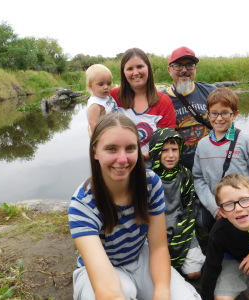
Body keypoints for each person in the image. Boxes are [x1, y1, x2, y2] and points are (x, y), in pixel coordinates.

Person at [68, 113, 200, 300]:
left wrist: (162, 292)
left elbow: (159, 247)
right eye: (111, 149)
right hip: (99, 270)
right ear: (95, 152)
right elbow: (108, 291)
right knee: (124, 292)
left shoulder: (151, 183)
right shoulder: (82, 204)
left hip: (140, 256)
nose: (122, 159)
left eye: (130, 148)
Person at [192, 87, 249, 224]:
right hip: (217, 209)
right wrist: (214, 208)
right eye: (214, 113)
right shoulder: (202, 145)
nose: (219, 118)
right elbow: (198, 178)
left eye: (225, 113)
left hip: (242, 208)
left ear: (235, 114)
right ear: (208, 114)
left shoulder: (246, 140)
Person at [149, 128, 205, 280]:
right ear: (156, 151)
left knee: (194, 273)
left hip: (182, 228)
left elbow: (190, 206)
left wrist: (181, 229)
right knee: (158, 273)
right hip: (156, 231)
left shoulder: (185, 174)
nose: (171, 155)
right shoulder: (148, 178)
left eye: (175, 149)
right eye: (165, 150)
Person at [111, 48, 176, 164]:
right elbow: (95, 123)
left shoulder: (164, 102)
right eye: (130, 68)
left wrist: (141, 159)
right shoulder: (113, 97)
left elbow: (166, 141)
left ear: (148, 68)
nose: (136, 72)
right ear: (123, 72)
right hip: (119, 165)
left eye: (140, 67)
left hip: (152, 169)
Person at [161, 46, 217, 170]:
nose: (184, 70)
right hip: (179, 170)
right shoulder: (160, 99)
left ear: (195, 69)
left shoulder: (210, 91)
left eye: (189, 65)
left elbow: (228, 123)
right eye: (178, 65)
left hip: (212, 165)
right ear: (169, 69)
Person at [85, 64, 118, 136]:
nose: (106, 87)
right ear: (90, 86)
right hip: (105, 136)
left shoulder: (106, 96)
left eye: (109, 83)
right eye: (101, 84)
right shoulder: (95, 104)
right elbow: (94, 126)